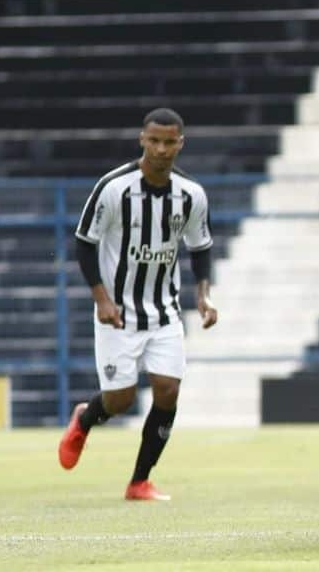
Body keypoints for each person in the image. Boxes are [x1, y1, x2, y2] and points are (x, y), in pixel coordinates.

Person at [59, 108, 218, 501]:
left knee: (167, 390)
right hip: (119, 313)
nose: (162, 149)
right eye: (154, 141)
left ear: (181, 143)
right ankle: (85, 418)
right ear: (142, 140)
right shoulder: (114, 188)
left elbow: (201, 248)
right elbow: (85, 243)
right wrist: (101, 299)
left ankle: (139, 481)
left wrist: (203, 294)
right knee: (120, 399)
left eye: (170, 142)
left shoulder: (192, 195)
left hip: (164, 311)